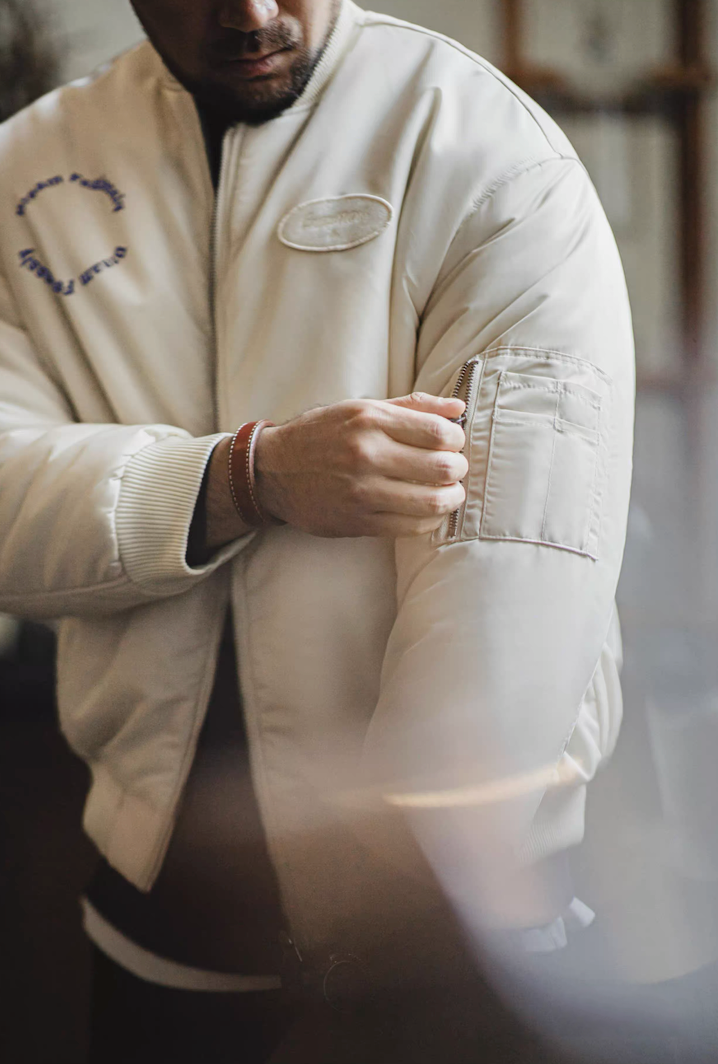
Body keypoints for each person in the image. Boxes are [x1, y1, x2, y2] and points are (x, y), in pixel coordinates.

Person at [0, 1, 634, 1060]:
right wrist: (240, 476)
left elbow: (515, 565)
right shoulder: (28, 171)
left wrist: (415, 877)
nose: (249, 12)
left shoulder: (479, 147)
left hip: (448, 938)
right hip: (161, 922)